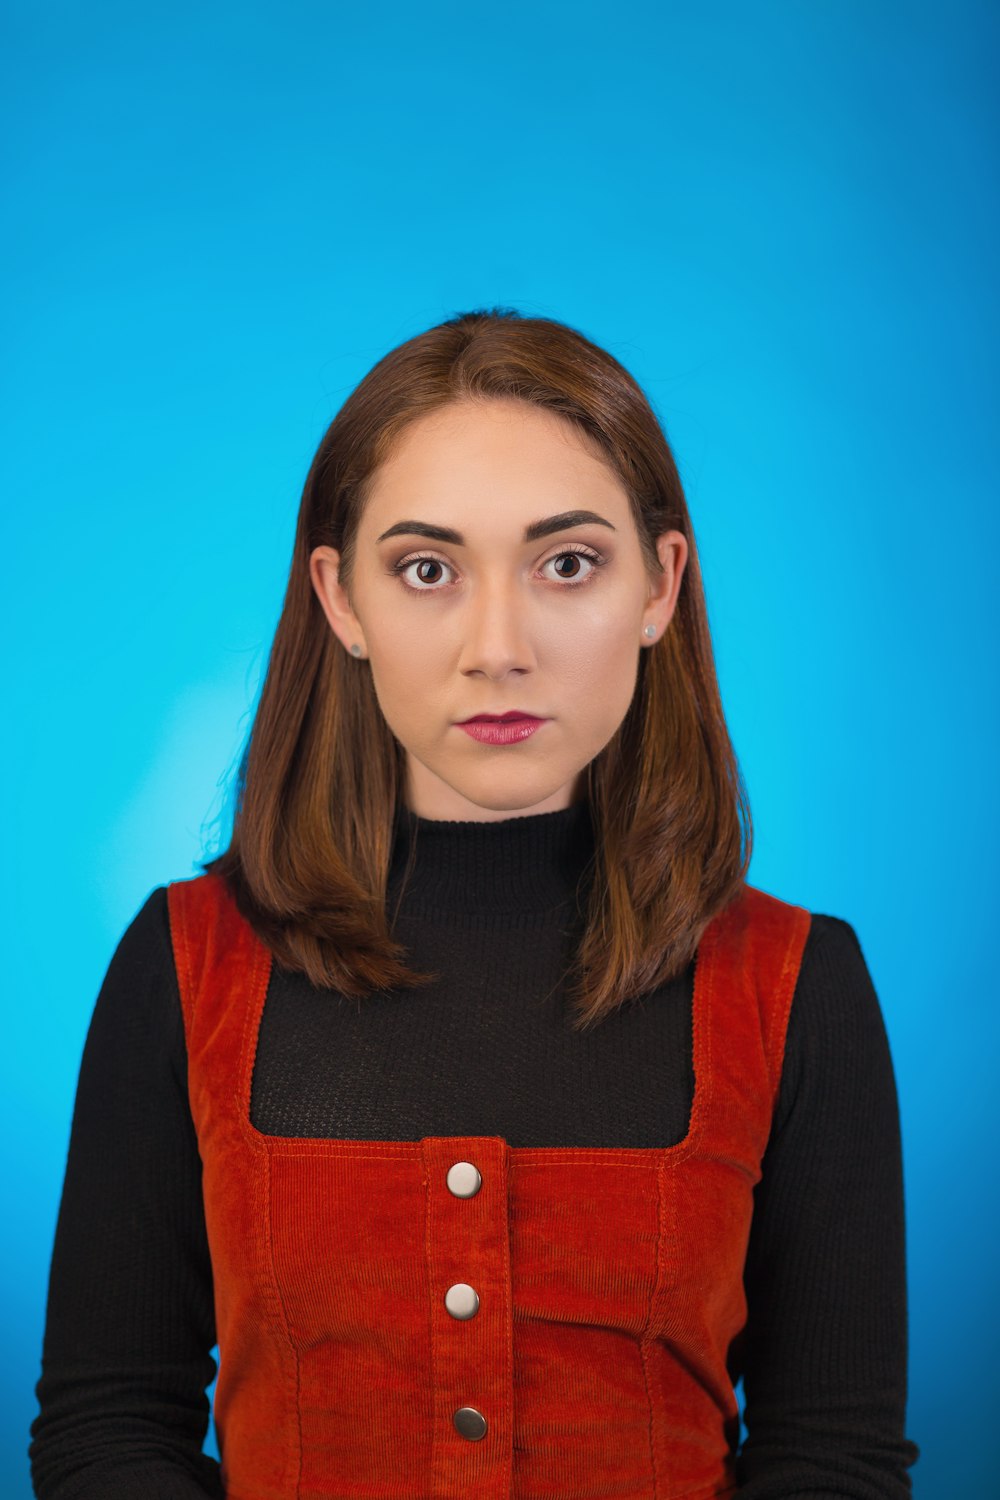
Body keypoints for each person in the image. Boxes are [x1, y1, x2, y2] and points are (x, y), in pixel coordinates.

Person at [29, 307, 920, 1498]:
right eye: (428, 569)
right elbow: (107, 1427)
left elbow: (833, 1459)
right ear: (343, 602)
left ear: (658, 587)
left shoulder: (795, 982)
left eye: (566, 563)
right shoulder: (184, 965)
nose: (498, 648)